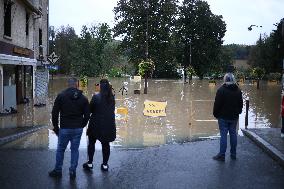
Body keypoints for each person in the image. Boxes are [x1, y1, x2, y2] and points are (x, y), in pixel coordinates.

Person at [49, 78, 90, 179]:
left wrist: (56, 127)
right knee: (75, 150)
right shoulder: (83, 98)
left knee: (60, 149)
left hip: (64, 128)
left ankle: (58, 170)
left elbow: (54, 113)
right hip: (77, 129)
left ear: (68, 84)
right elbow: (87, 115)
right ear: (77, 85)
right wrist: (82, 125)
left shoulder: (61, 96)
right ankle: (72, 171)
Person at [83, 79, 116, 171]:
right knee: (106, 145)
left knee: (91, 144)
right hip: (108, 126)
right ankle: (105, 165)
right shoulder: (112, 98)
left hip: (95, 125)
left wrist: (83, 121)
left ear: (100, 87)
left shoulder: (96, 97)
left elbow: (90, 110)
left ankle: (90, 163)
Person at [213, 73, 243, 161]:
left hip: (223, 117)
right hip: (234, 117)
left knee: (223, 135)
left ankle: (222, 155)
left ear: (225, 80)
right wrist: (239, 112)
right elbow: (240, 104)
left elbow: (217, 104)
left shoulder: (221, 90)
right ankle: (233, 154)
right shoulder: (238, 90)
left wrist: (215, 114)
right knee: (233, 134)